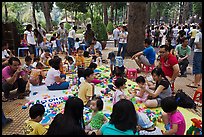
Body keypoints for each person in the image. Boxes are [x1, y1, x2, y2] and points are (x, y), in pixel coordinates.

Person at [187, 22, 202, 88]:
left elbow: (196, 42)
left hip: (198, 52)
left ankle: (195, 84)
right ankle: (198, 82)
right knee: (201, 68)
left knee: (197, 67)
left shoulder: (199, 34)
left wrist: (199, 47)